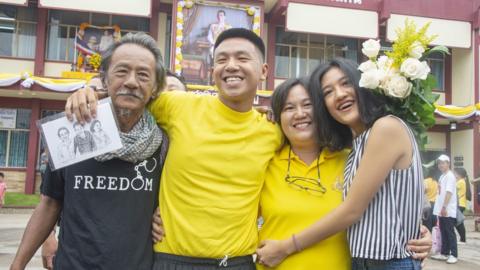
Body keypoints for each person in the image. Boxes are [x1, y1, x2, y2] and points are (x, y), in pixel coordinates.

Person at [64, 28, 281, 270]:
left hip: (236, 262)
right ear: (212, 73)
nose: (231, 66)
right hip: (172, 261)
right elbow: (129, 94)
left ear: (263, 71)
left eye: (242, 58)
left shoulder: (274, 132)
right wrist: (89, 93)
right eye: (222, 59)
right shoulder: (177, 105)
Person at [10, 32, 169, 270]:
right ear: (105, 79)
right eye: (122, 71)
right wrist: (17, 266)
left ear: (156, 88)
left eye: (143, 75)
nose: (132, 82)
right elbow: (49, 204)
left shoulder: (163, 144)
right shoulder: (73, 131)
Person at [257, 58, 425, 270]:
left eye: (346, 83)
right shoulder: (357, 146)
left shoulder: (385, 128)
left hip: (385, 263)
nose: (339, 94)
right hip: (364, 263)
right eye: (328, 92)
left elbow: (352, 210)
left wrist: (286, 247)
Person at [258, 77, 351, 269]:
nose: (299, 114)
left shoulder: (350, 160)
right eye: (289, 108)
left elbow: (380, 211)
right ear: (277, 117)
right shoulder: (265, 163)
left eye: (308, 105)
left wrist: (418, 233)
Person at [431, 154, 458, 264]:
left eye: (443, 163)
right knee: (443, 232)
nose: (441, 165)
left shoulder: (450, 176)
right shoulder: (442, 176)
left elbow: (449, 192)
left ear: (448, 163)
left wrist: (444, 207)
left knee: (449, 232)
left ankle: (454, 254)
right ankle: (445, 253)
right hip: (441, 210)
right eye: (439, 163)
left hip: (447, 210)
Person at [454, 167, 470, 244]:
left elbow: (452, 188)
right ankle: (462, 239)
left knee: (459, 222)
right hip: (461, 204)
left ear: (459, 174)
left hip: (460, 204)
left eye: (455, 173)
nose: (454, 175)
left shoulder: (460, 182)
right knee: (458, 222)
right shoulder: (462, 181)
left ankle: (463, 239)